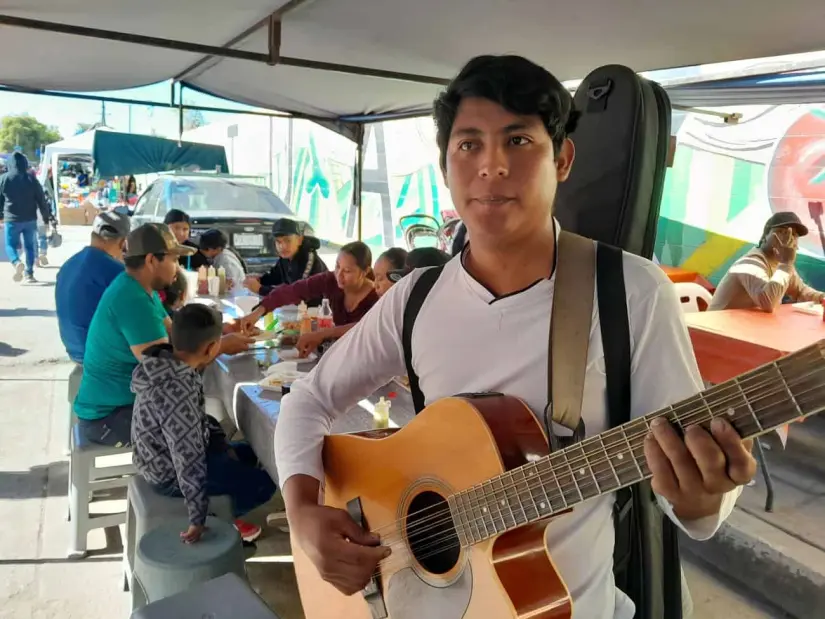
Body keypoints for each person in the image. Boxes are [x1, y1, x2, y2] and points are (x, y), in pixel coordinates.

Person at [270, 55, 756, 617]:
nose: (492, 166)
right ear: (445, 164)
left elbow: (692, 505)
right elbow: (307, 400)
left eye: (519, 141)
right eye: (469, 145)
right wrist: (305, 514)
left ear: (564, 159)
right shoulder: (416, 297)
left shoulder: (630, 293)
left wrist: (701, 494)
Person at [73, 223, 253, 447]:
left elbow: (174, 329)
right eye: (173, 259)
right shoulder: (133, 301)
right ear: (151, 260)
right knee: (203, 439)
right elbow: (169, 374)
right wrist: (221, 346)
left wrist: (218, 330)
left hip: (127, 404)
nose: (177, 268)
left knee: (212, 430)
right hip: (110, 417)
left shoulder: (137, 289)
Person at [131, 304, 277, 543]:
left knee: (256, 454)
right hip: (170, 474)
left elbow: (193, 430)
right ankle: (218, 516)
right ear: (211, 348)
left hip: (159, 456)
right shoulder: (178, 392)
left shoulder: (163, 365)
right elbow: (187, 459)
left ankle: (222, 488)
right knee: (265, 483)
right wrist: (197, 518)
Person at [56, 211, 130, 405]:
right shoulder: (116, 272)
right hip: (100, 361)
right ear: (123, 244)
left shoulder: (68, 265)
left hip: (74, 350)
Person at [242, 242, 378, 347]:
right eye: (337, 266)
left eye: (347, 271)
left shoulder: (377, 295)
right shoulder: (330, 280)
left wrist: (323, 334)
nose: (339, 275)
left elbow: (364, 327)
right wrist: (258, 312)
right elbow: (293, 291)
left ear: (365, 272)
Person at [709, 211, 824, 312]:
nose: (787, 239)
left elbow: (800, 291)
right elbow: (768, 303)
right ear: (765, 236)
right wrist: (786, 264)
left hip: (746, 328)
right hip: (714, 331)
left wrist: (822, 298)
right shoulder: (749, 263)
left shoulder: (781, 264)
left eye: (793, 235)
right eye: (781, 232)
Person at [0, 152, 52, 283]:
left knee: (10, 245)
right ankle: (29, 274)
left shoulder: (4, 178)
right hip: (30, 219)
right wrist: (46, 218)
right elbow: (41, 200)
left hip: (11, 218)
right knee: (29, 246)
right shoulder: (31, 179)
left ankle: (16, 262)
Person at [243, 218, 328, 296]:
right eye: (278, 241)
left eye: (288, 241)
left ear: (299, 240)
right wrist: (260, 280)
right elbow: (275, 276)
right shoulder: (286, 257)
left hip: (322, 307)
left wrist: (260, 289)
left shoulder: (308, 258)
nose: (282, 246)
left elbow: (297, 293)